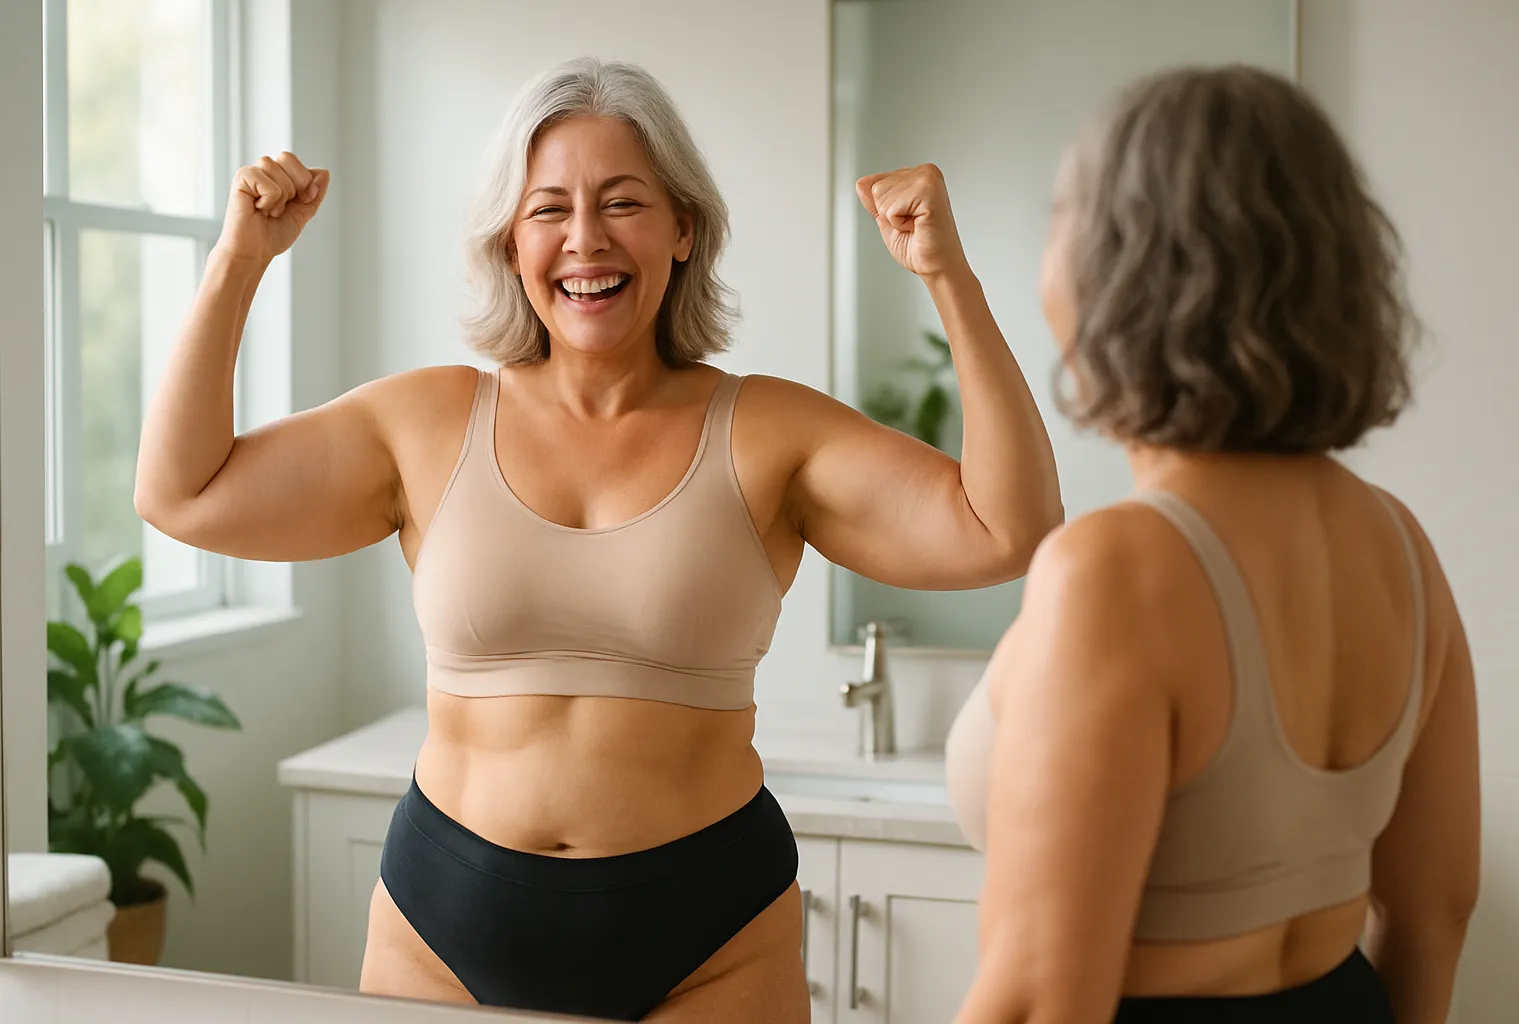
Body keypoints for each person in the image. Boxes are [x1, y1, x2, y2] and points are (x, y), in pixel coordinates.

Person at [134, 57, 1063, 1022]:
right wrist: (239, 258)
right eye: (548, 210)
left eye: (623, 202)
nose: (585, 239)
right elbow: (181, 493)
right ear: (510, 238)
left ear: (683, 229)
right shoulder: (423, 420)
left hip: (712, 939)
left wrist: (944, 275)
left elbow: (1009, 530)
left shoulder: (773, 432)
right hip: (441, 931)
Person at [945, 65, 1478, 1024]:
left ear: (1126, 265)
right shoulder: (1401, 549)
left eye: (1061, 216)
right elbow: (1433, 911)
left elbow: (1035, 1001)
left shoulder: (1115, 569)